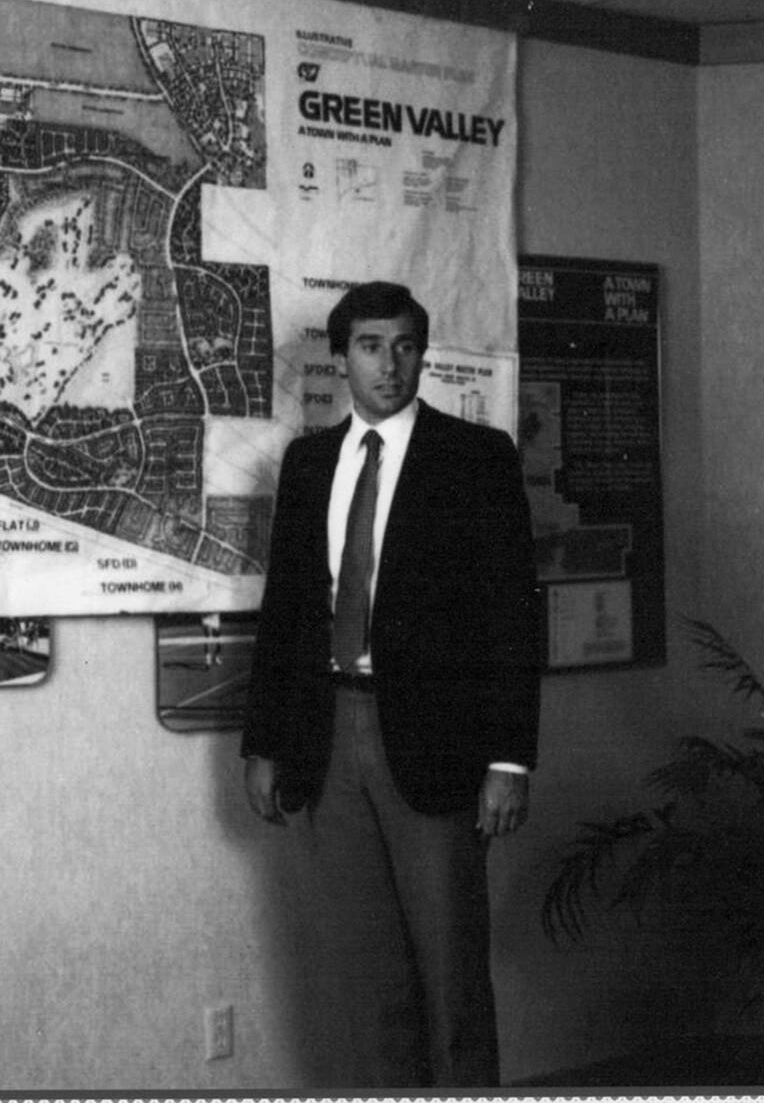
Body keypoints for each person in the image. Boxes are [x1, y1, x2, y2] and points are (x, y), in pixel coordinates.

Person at [241, 281, 540, 1088]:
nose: (391, 363)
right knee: (369, 978)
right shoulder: (309, 463)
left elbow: (513, 615)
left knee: (452, 981)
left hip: (435, 744)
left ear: (423, 354)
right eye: (372, 346)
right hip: (327, 738)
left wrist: (509, 760)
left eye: (406, 346)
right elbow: (288, 612)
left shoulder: (476, 459)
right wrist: (264, 744)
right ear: (342, 358)